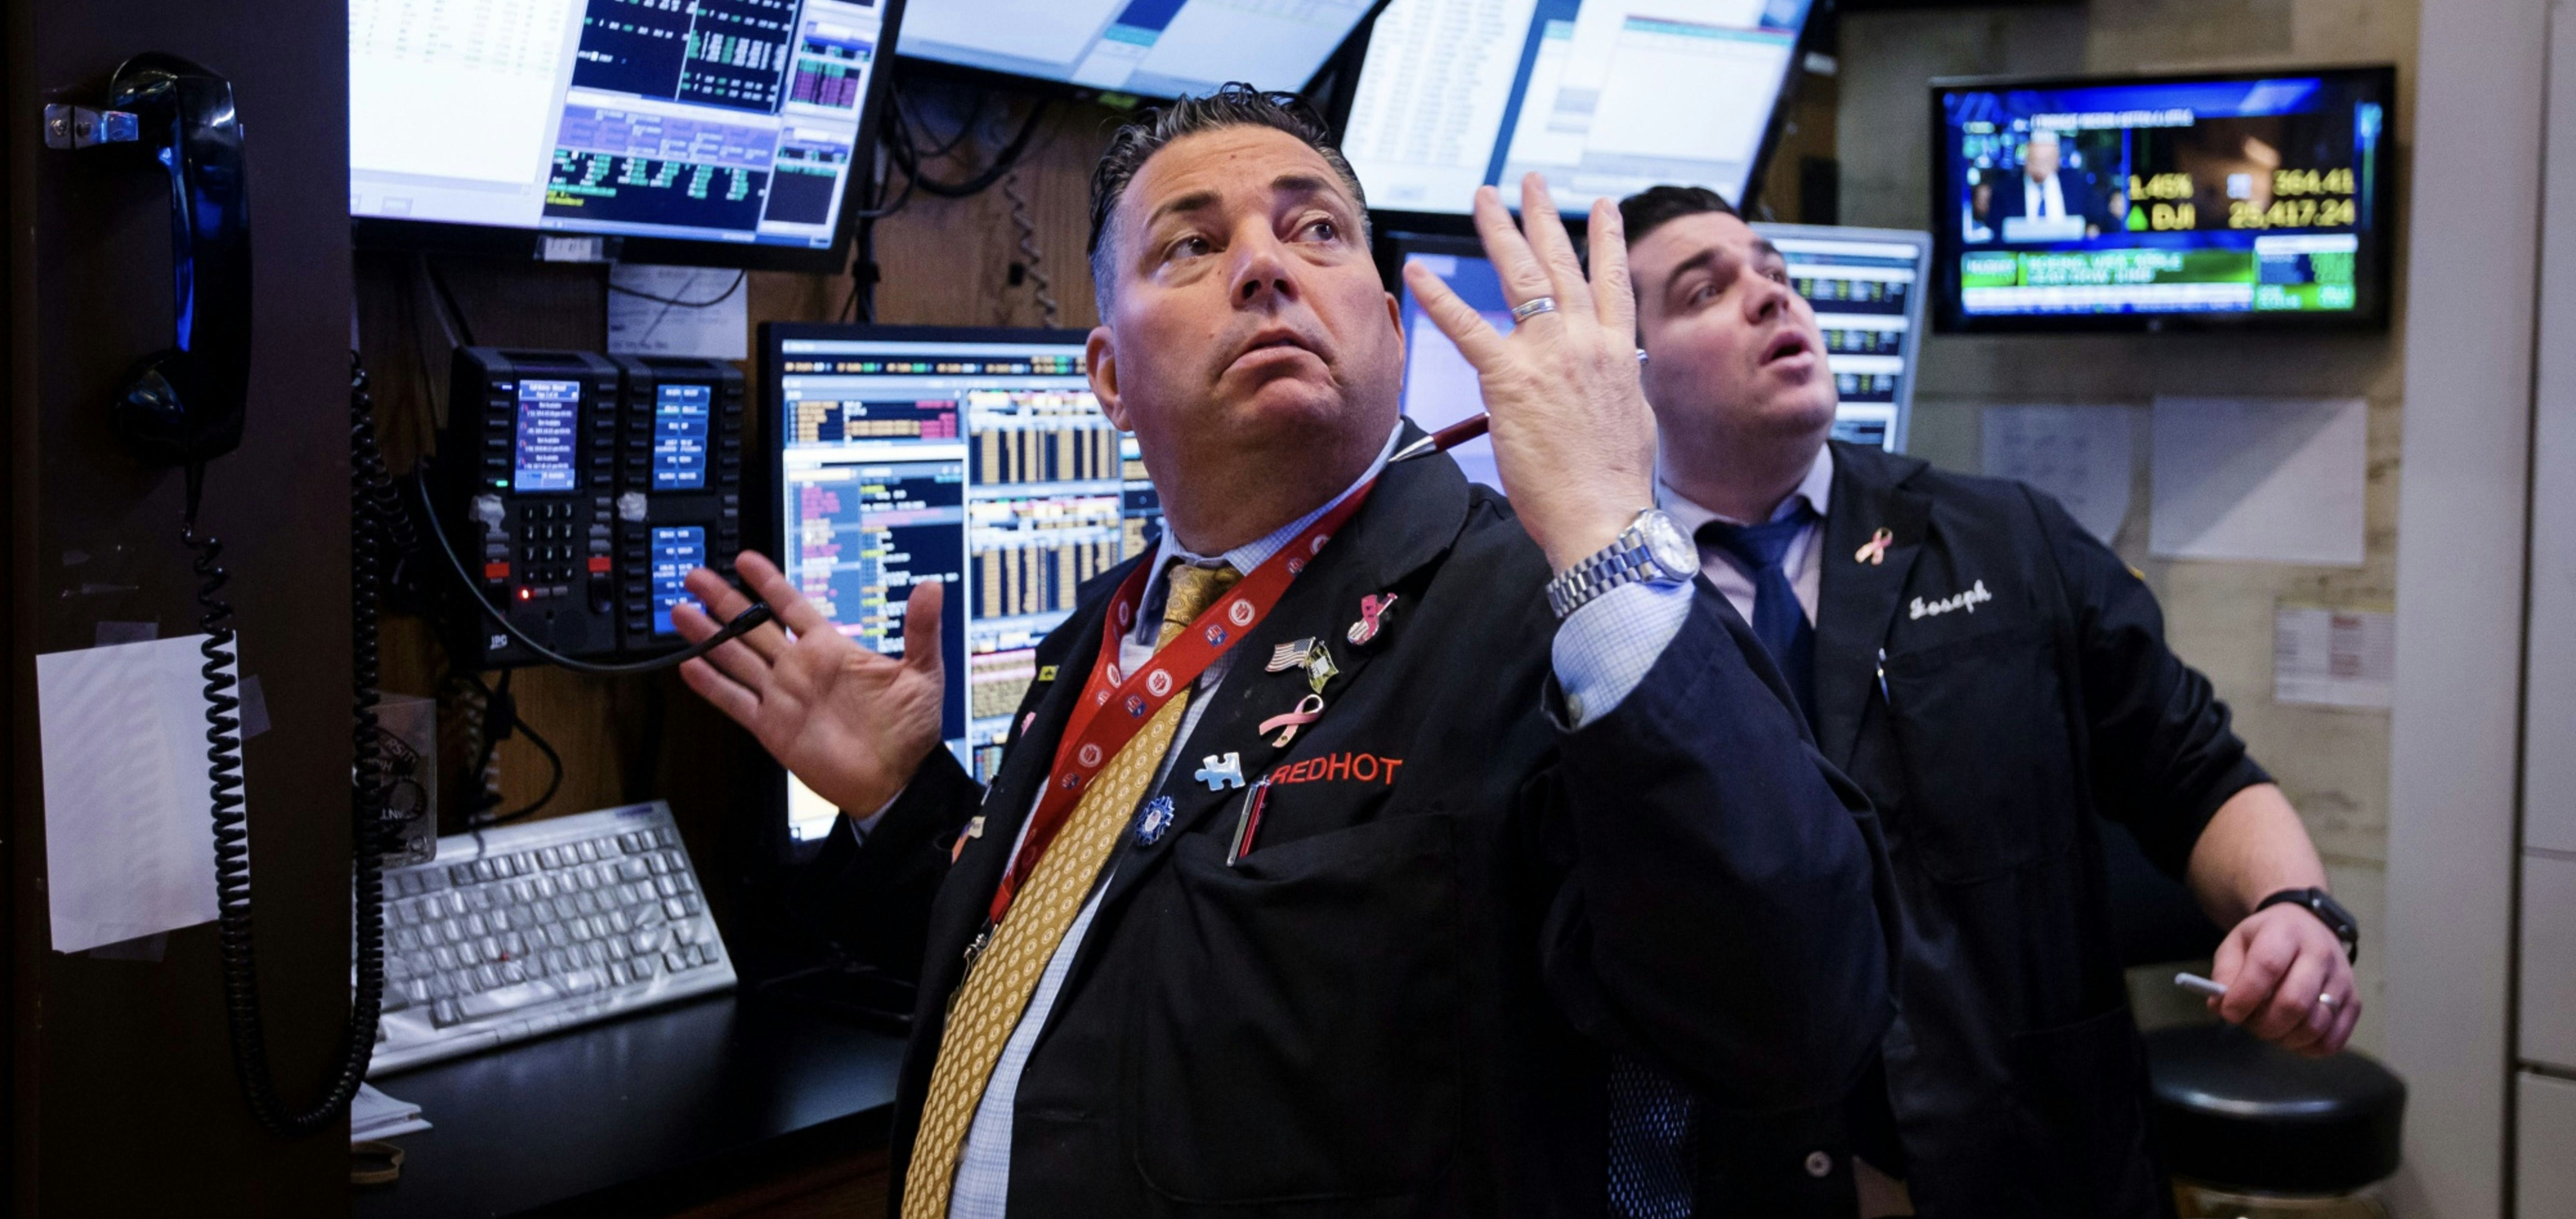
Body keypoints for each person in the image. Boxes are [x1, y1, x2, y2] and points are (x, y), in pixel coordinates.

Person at [669, 90, 1898, 1217]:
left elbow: (1796, 1015)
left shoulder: (1553, 615)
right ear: (1107, 376)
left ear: (1379, 311)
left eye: (1316, 233)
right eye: (1190, 247)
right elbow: (1117, 990)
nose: (1263, 265)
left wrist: (1607, 530)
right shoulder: (1094, 639)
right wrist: (903, 805)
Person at [1616, 182, 2362, 1219]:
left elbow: (2195, 771)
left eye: (1776, 275)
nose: (1770, 299)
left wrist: (2295, 908)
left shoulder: (2005, 538)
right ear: (1623, 372)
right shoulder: (1604, 609)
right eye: (1706, 291)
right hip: (1739, 1177)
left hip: (2033, 1154)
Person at [1983, 128, 2109, 238]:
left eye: (2045, 161)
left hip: (2069, 256)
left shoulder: (2077, 184)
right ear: (2026, 159)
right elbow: (1994, 231)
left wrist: (2093, 230)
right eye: (2034, 161)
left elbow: (2102, 219)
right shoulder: (2005, 190)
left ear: (2057, 161)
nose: (2039, 167)